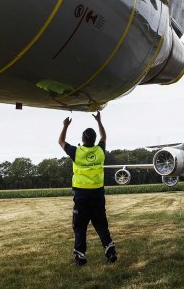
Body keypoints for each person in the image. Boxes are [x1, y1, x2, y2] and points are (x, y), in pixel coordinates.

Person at [58, 111, 117, 266]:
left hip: (81, 197)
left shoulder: (77, 153)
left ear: (83, 139)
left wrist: (65, 126)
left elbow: (61, 140)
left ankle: (80, 255)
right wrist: (99, 121)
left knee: (80, 227)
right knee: (101, 225)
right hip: (98, 195)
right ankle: (110, 251)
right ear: (94, 140)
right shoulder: (99, 152)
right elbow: (104, 137)